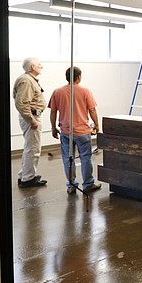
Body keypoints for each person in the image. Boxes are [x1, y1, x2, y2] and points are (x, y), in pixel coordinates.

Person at [48, 66, 101, 195]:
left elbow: (53, 112)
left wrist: (53, 127)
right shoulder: (85, 91)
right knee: (86, 158)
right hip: (82, 132)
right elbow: (92, 110)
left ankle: (71, 185)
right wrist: (97, 125)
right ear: (78, 77)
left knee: (68, 158)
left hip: (66, 132)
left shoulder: (57, 92)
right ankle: (88, 184)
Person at [13, 57, 48, 188]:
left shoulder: (28, 80)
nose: (41, 66)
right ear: (32, 67)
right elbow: (21, 103)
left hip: (32, 117)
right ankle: (28, 179)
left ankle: (25, 175)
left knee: (30, 147)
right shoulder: (26, 81)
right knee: (33, 148)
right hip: (31, 118)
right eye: (39, 64)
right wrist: (32, 120)